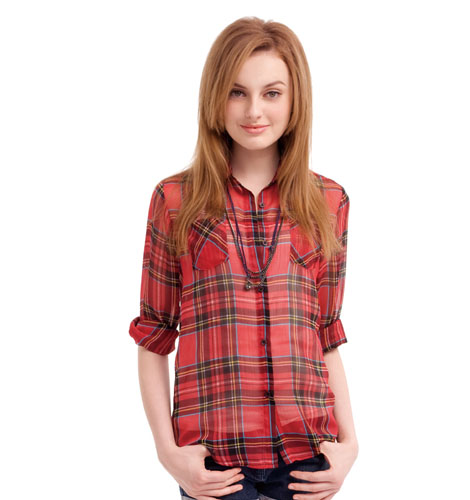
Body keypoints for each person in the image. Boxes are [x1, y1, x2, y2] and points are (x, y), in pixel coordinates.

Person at [129, 16, 358, 500]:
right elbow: (153, 335)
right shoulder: (175, 200)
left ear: (295, 101)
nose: (254, 110)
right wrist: (167, 452)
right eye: (237, 92)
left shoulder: (330, 201)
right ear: (216, 98)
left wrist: (350, 443)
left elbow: (326, 334)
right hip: (214, 464)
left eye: (271, 93)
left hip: (308, 458)